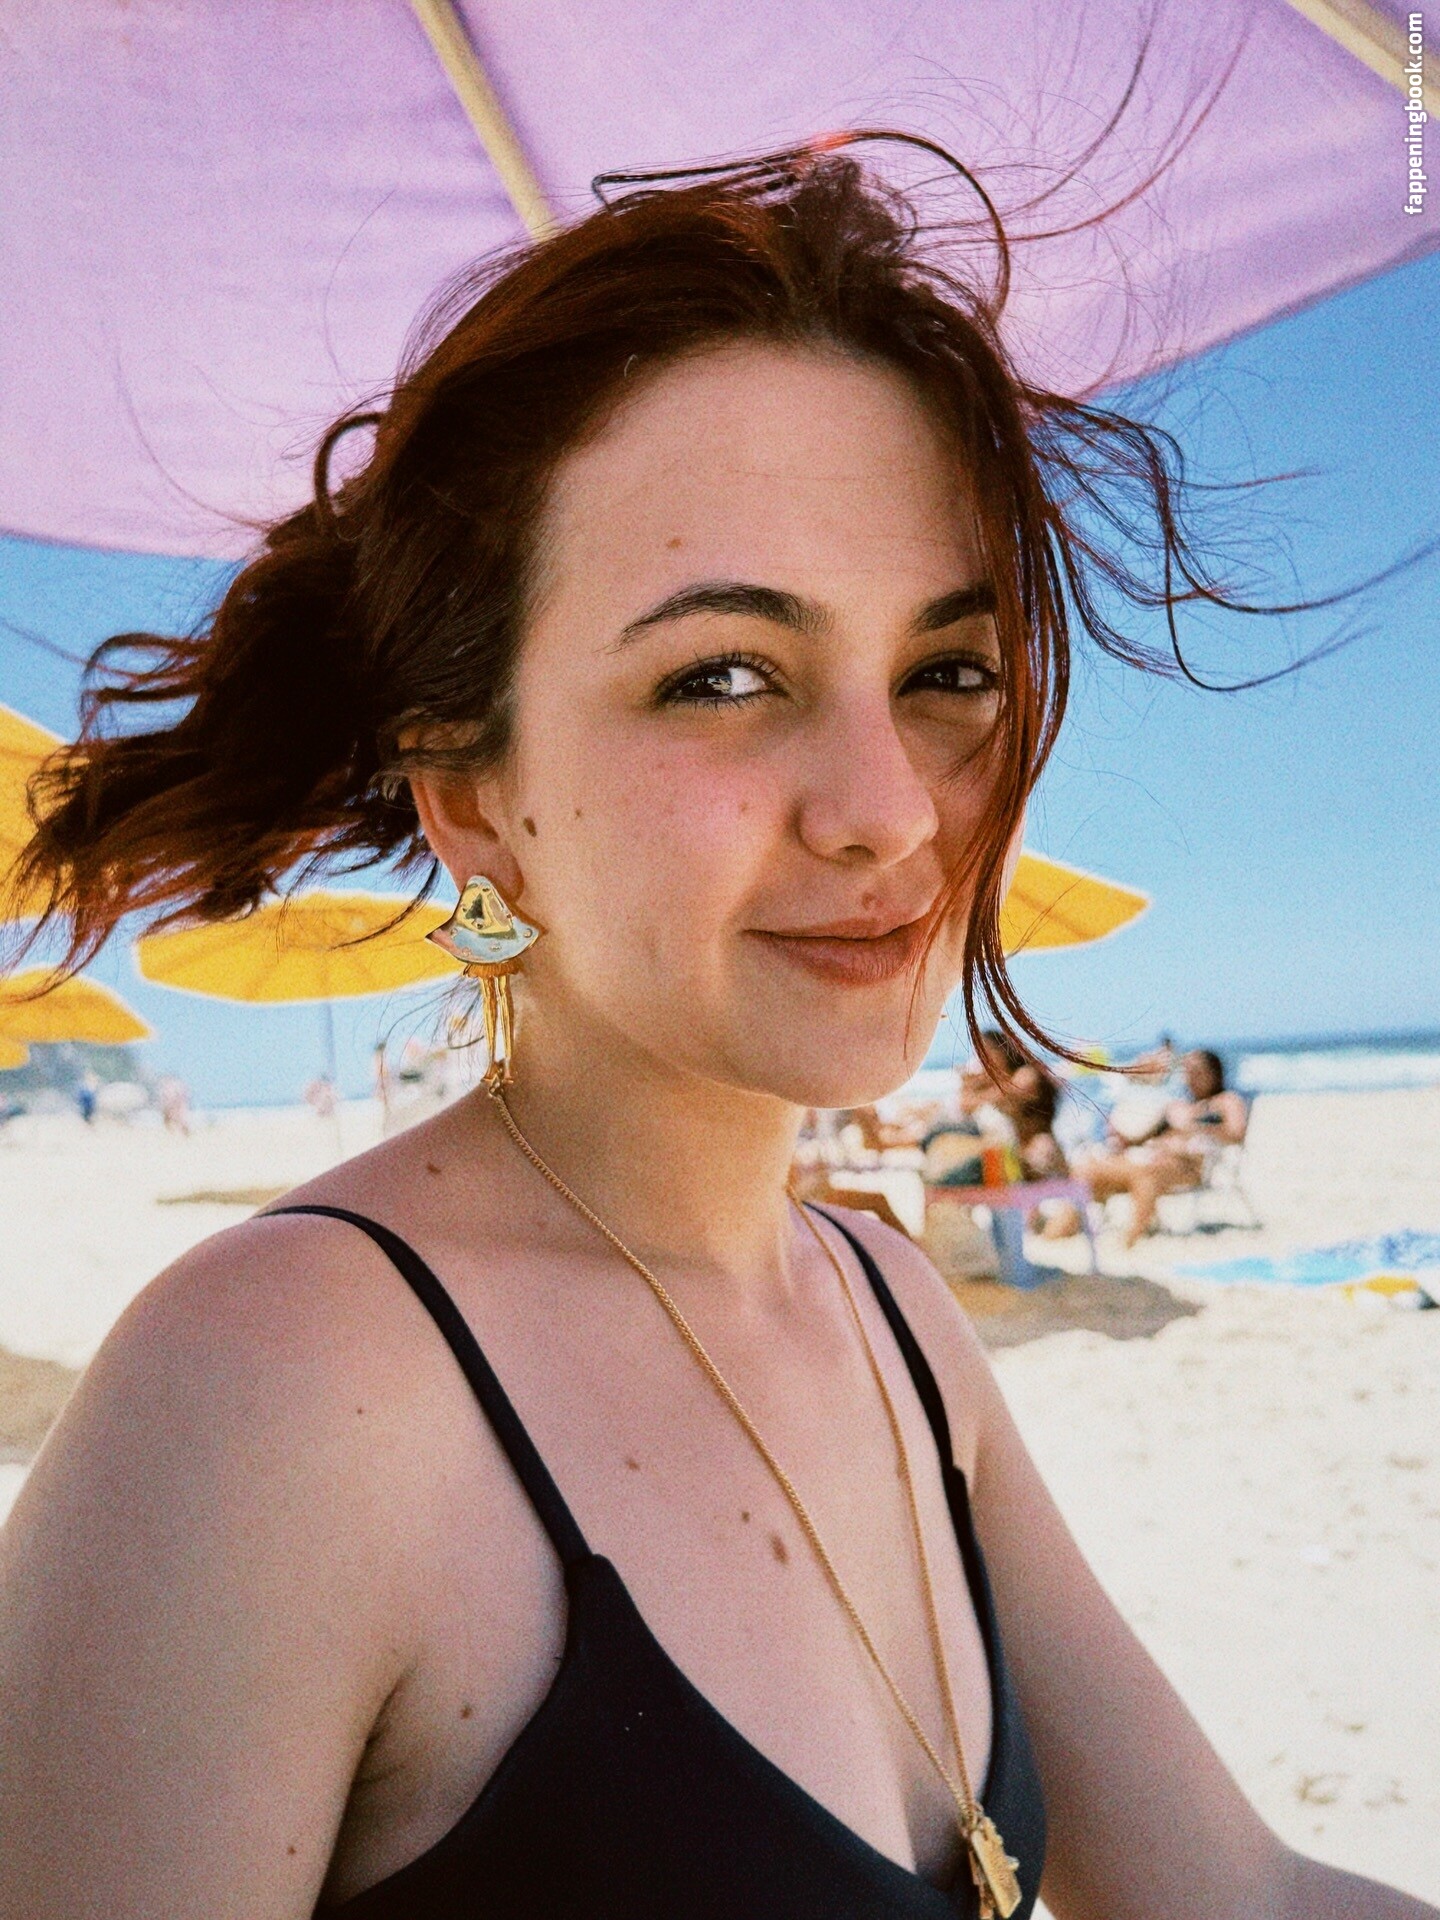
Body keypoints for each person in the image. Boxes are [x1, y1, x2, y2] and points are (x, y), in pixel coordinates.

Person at [2, 141, 1430, 1920]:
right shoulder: (283, 1390)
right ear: (473, 797)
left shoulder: (894, 1317)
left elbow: (1242, 1897)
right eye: (725, 677)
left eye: (948, 672)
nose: (889, 810)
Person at [1072, 1048, 1249, 1248]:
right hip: (1154, 1158)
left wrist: (1195, 1125)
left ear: (1213, 1072)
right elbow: (1148, 1135)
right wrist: (1126, 1140)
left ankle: (1131, 1238)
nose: (1191, 1078)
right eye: (1187, 1071)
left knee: (1145, 1174)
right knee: (1088, 1170)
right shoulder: (1180, 1105)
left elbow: (1237, 1133)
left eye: (1197, 1071)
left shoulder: (1227, 1101)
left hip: (1188, 1166)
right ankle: (1063, 1233)